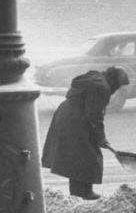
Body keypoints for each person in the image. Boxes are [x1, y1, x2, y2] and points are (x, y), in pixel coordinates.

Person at [41, 66, 130, 200]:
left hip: (69, 116)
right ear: (115, 82)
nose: (117, 90)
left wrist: (99, 137)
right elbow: (95, 115)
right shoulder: (101, 87)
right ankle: (81, 192)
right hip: (75, 120)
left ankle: (83, 191)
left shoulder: (96, 77)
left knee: (80, 156)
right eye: (118, 87)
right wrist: (101, 137)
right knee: (85, 156)